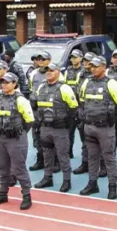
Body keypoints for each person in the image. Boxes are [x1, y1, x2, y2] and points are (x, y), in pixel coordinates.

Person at [79, 56, 117, 199]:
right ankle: (92, 183)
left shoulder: (111, 84)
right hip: (89, 126)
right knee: (92, 157)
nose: (92, 68)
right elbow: (82, 101)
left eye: (96, 66)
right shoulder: (86, 82)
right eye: (91, 66)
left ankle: (112, 186)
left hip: (105, 128)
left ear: (104, 67)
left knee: (109, 158)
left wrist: (112, 119)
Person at [0, 72, 36, 210]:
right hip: (1, 138)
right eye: (2, 82)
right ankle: (3, 193)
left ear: (14, 84)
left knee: (18, 168)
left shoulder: (21, 100)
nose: (4, 85)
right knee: (2, 167)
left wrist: (18, 133)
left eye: (7, 82)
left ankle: (26, 195)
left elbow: (29, 121)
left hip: (15, 139)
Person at [33, 64, 78, 193]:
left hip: (60, 129)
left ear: (58, 72)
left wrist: (65, 121)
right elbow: (37, 105)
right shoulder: (41, 86)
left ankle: (66, 180)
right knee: (47, 154)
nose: (49, 72)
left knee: (63, 155)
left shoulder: (64, 88)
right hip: (45, 128)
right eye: (47, 70)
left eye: (52, 70)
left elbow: (74, 107)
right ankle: (47, 178)